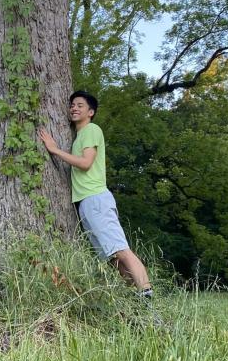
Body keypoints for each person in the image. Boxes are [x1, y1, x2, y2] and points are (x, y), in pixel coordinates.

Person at [39, 90, 154, 299]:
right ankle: (135, 300)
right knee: (113, 257)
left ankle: (147, 294)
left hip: (95, 199)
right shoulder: (79, 137)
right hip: (86, 203)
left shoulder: (91, 129)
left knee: (120, 249)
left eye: (80, 105)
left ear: (90, 112)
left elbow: (85, 163)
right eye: (72, 105)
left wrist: (54, 150)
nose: (74, 108)